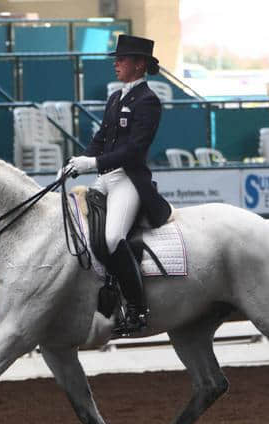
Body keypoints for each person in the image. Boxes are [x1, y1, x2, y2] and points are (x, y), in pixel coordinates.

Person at [67, 34, 171, 334]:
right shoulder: (116, 98)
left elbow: (134, 150)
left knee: (112, 238)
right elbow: (102, 138)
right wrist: (79, 160)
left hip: (129, 179)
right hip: (106, 177)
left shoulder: (148, 101)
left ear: (139, 65)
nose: (116, 63)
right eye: (116, 59)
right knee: (78, 228)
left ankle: (138, 309)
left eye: (122, 59)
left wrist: (94, 163)